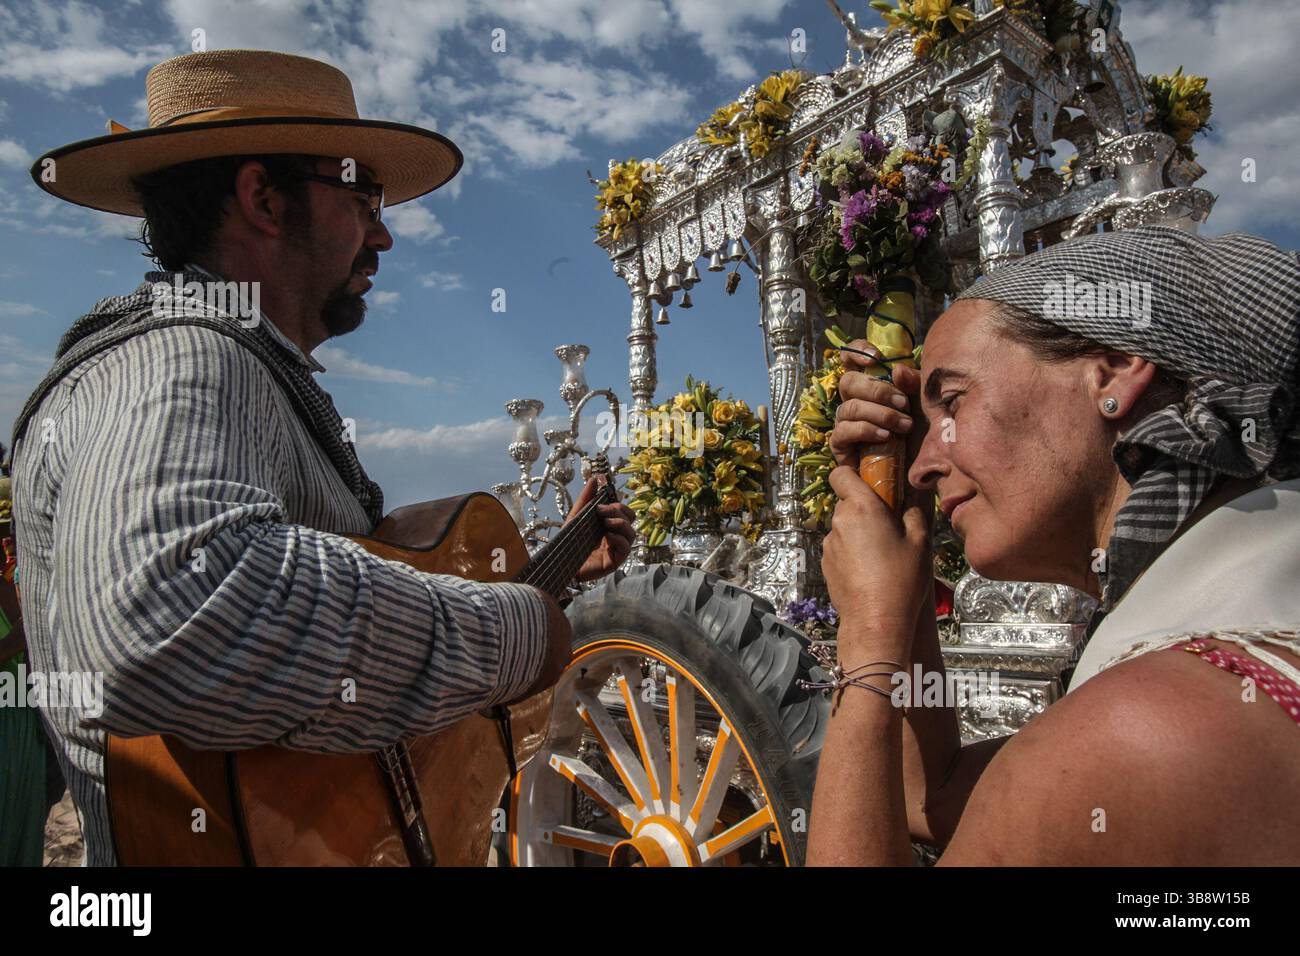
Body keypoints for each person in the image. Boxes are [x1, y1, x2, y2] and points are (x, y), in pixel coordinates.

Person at [8, 49, 634, 866]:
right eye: (362, 196)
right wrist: (512, 632)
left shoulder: (234, 367)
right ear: (263, 198)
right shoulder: (183, 359)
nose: (384, 233)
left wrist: (550, 571)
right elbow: (167, 613)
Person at [808, 225, 1300, 865]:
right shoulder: (1242, 632)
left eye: (953, 402)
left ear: (1115, 372)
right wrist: (908, 533)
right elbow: (935, 795)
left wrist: (870, 635)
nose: (924, 465)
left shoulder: (1145, 727)